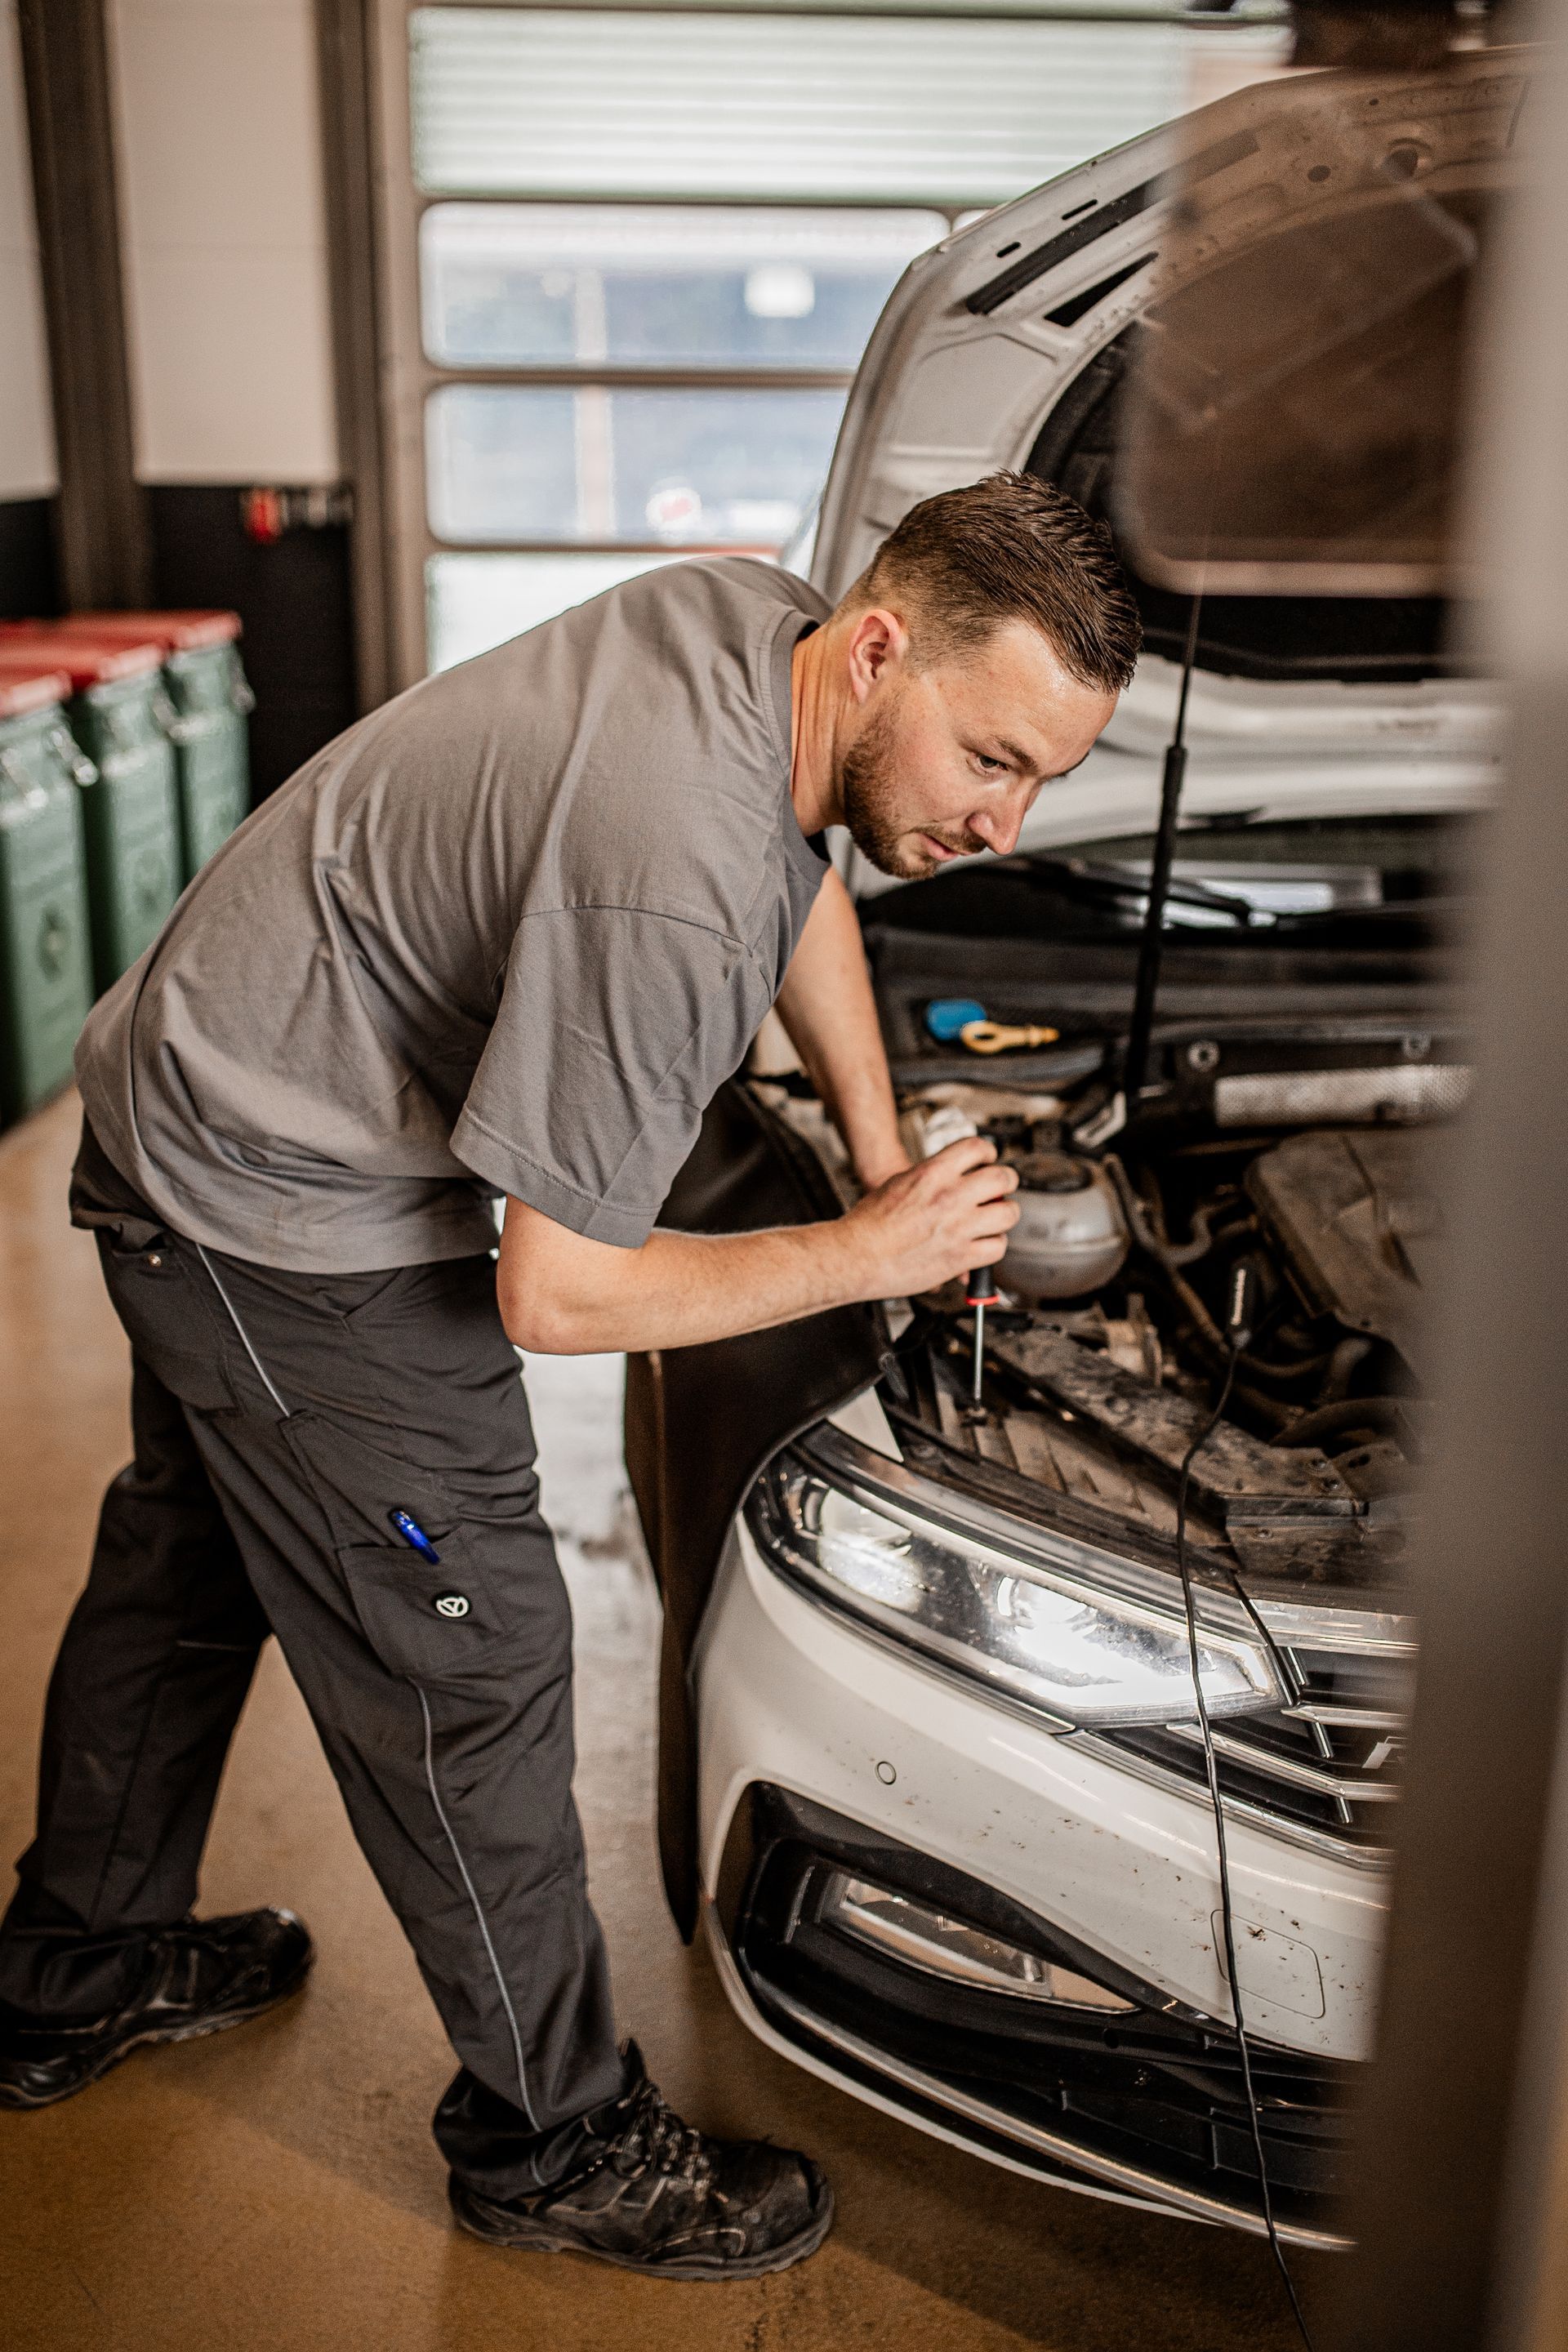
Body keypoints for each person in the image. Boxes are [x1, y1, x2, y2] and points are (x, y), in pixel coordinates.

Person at [0, 472, 1138, 2278]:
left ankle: (69, 1972)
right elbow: (562, 1291)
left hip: (207, 1086)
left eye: (1042, 780)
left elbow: (803, 889)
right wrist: (874, 1253)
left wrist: (873, 1145)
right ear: (877, 652)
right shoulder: (669, 871)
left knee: (196, 1552)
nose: (1006, 820)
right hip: (272, 1201)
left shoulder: (760, 628)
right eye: (994, 758)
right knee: (480, 1652)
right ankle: (549, 2140)